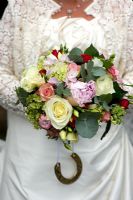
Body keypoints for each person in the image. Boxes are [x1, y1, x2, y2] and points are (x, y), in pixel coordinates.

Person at [0, 0, 133, 199]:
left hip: (103, 159)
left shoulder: (123, 7)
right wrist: (39, 104)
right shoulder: (20, 5)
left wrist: (97, 102)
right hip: (30, 157)